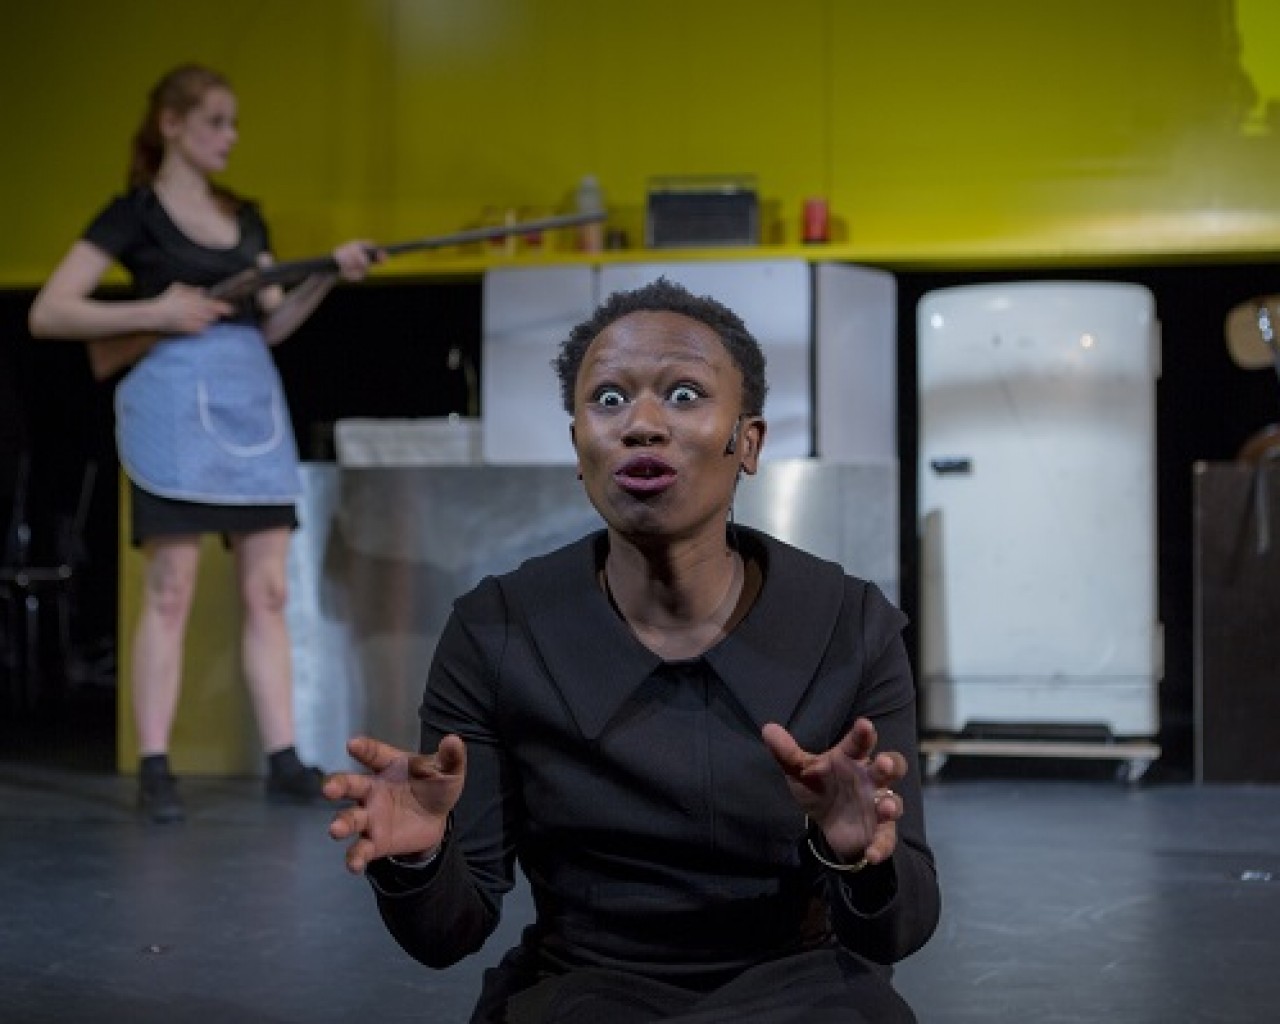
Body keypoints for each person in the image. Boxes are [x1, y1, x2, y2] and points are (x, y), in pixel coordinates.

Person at [324, 278, 940, 1023]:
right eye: (609, 399)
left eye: (684, 395)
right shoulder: (497, 630)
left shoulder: (849, 625)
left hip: (801, 990)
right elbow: (448, 933)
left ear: (747, 442)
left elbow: (900, 929)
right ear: (577, 446)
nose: (642, 424)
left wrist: (855, 855)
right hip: (584, 989)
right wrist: (420, 855)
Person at [28, 63, 379, 823]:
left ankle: (283, 758)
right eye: (216, 120)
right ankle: (156, 765)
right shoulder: (134, 215)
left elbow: (273, 322)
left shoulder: (246, 219)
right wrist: (154, 312)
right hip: (174, 415)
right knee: (171, 590)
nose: (230, 136)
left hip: (251, 410)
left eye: (233, 122)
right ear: (172, 124)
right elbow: (50, 312)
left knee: (269, 591)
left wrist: (328, 274)